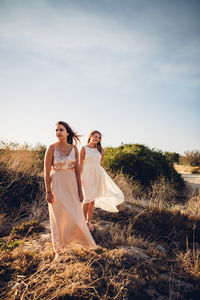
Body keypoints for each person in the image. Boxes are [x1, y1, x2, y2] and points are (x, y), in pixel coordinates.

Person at [44, 121, 97, 257]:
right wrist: (48, 191)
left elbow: (78, 172)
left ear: (67, 132)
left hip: (72, 184)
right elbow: (46, 172)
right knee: (59, 215)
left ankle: (76, 241)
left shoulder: (74, 149)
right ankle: (59, 250)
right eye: (56, 130)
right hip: (57, 184)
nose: (58, 133)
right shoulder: (51, 148)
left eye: (61, 130)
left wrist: (80, 191)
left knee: (74, 214)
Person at [80, 130, 124, 231]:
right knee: (87, 198)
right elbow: (80, 164)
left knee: (92, 200)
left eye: (98, 138)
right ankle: (81, 221)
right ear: (90, 136)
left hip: (97, 175)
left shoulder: (101, 150)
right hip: (86, 174)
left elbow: (99, 164)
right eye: (95, 136)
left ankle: (88, 221)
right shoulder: (84, 148)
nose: (97, 139)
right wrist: (79, 177)